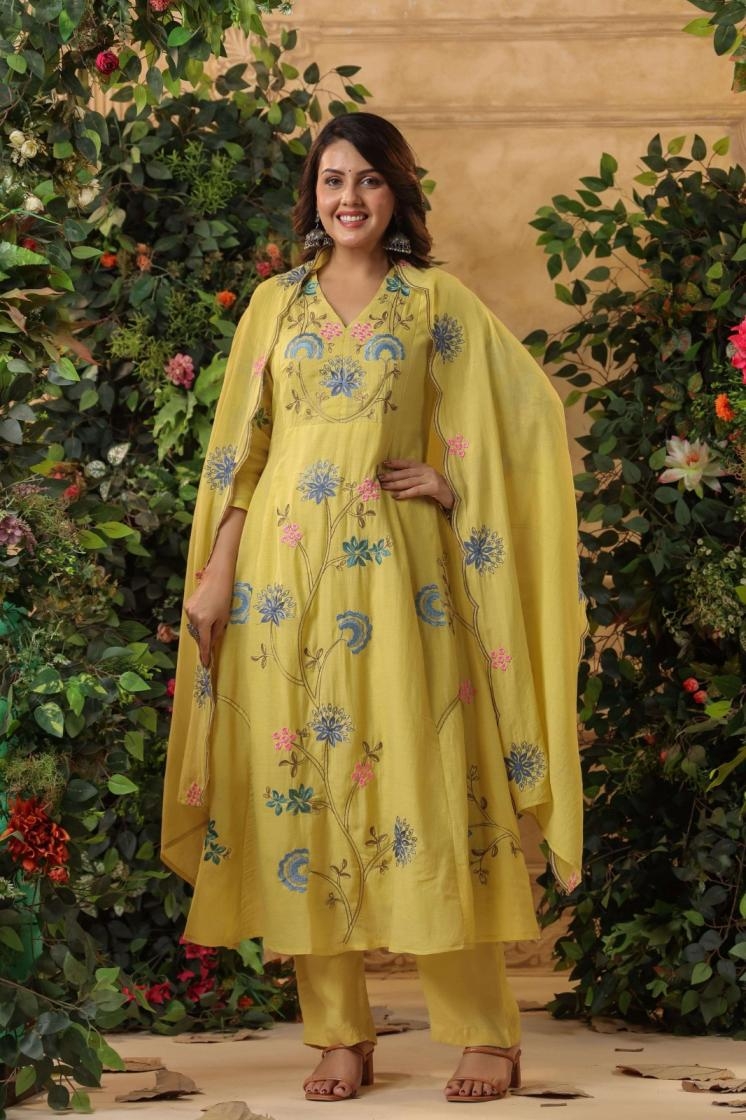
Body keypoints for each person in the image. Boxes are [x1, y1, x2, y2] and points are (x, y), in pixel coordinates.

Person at [161, 112, 585, 1104]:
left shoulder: (433, 300)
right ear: (312, 193)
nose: (347, 198)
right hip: (277, 583)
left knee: (426, 789)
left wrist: (451, 483)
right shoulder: (274, 304)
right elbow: (244, 451)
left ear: (397, 193)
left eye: (367, 181)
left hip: (402, 583)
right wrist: (217, 570)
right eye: (331, 180)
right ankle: (337, 1033)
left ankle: (486, 1032)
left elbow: (523, 416)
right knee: (299, 796)